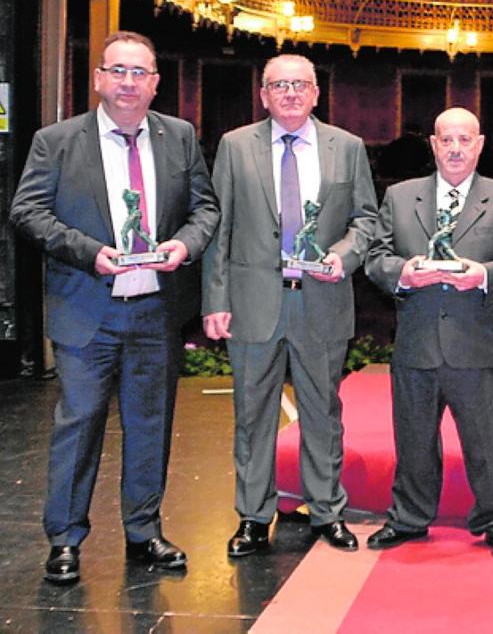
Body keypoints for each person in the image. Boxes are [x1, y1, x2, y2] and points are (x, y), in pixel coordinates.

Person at [10, 31, 220, 584]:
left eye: (139, 72)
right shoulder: (56, 141)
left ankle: (144, 531)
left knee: (151, 425)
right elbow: (27, 212)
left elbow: (204, 209)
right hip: (87, 311)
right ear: (99, 78)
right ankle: (64, 538)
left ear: (155, 83)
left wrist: (186, 245)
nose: (129, 82)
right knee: (79, 424)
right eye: (118, 71)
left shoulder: (179, 137)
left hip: (155, 311)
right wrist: (88, 252)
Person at [202, 54, 378, 558]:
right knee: (252, 415)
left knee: (322, 412)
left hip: (321, 300)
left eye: (301, 84)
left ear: (317, 93)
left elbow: (366, 220)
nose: (291, 93)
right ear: (263, 95)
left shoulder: (347, 147)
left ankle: (327, 511)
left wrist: (343, 256)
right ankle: (254, 517)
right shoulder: (235, 146)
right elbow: (219, 228)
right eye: (279, 85)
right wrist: (215, 300)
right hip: (252, 302)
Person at [364, 108, 493, 561]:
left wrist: (483, 274)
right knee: (413, 441)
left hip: (478, 344)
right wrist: (403, 273)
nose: (456, 148)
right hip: (416, 343)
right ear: (434, 145)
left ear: (479, 145)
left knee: (488, 444)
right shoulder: (400, 197)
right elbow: (376, 258)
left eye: (465, 140)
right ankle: (408, 518)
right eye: (447, 140)